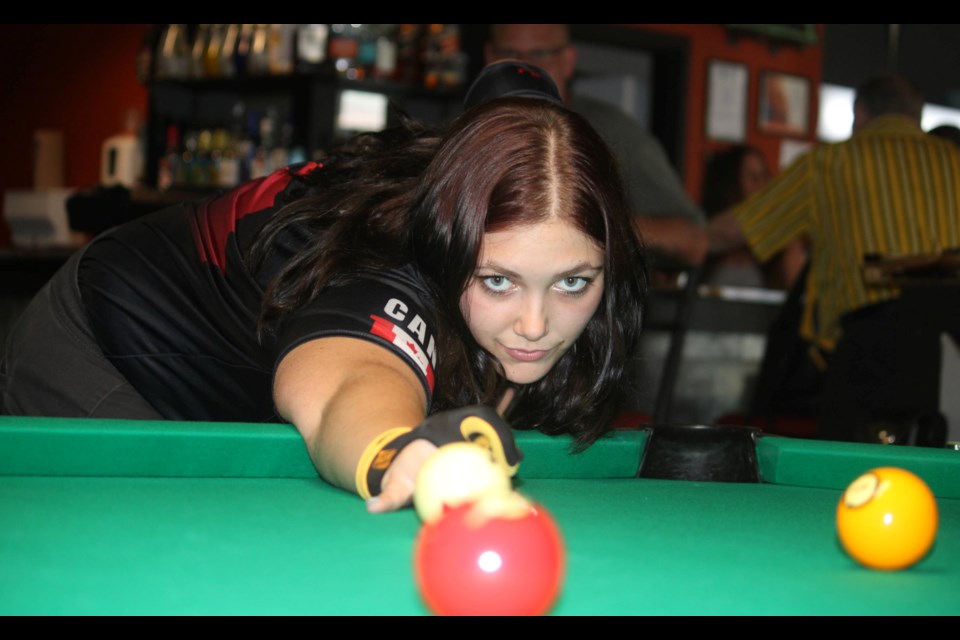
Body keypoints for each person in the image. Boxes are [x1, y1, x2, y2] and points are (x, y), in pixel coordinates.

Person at [0, 61, 648, 512]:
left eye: (572, 282)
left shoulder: (493, 205)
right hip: (103, 344)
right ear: (453, 234)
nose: (536, 324)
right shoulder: (392, 260)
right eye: (499, 281)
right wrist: (394, 449)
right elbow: (349, 381)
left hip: (233, 362)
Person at [707, 72, 960, 443]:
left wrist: (686, 236)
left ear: (860, 113)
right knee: (927, 463)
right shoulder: (953, 162)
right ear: (918, 116)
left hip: (866, 348)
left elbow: (731, 231)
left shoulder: (830, 163)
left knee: (850, 474)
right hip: (944, 347)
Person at [485, 24, 708, 272]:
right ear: (490, 58)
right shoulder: (464, 132)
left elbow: (693, 240)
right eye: (510, 53)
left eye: (540, 54)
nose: (523, 68)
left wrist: (597, 226)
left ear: (568, 60)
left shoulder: (614, 131)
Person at [700, 144, 807, 290]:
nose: (761, 184)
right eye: (752, 177)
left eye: (764, 176)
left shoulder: (777, 237)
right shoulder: (710, 229)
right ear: (730, 184)